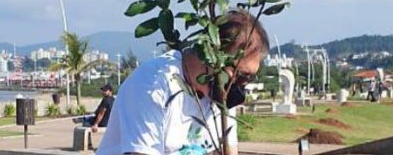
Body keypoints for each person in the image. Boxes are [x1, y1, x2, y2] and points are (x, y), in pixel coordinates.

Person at [97, 10, 270, 155]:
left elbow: (227, 150)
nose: (239, 85)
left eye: (248, 78)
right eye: (239, 75)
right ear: (210, 54)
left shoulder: (220, 97)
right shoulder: (153, 84)